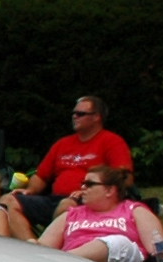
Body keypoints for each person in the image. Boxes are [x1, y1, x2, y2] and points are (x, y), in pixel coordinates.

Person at [37, 164, 163, 262]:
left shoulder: (133, 210)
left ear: (109, 190)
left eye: (89, 184)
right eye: (83, 184)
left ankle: (61, 261)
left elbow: (157, 245)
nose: (83, 188)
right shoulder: (71, 215)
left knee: (118, 243)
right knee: (33, 246)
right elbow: (42, 248)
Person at [21, 94, 133, 225]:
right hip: (54, 199)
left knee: (66, 205)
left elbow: (125, 178)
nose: (74, 116)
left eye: (80, 114)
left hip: (87, 200)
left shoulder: (112, 142)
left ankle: (52, 238)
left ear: (96, 117)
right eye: (73, 113)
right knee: (9, 201)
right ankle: (29, 239)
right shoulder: (63, 143)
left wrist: (90, 191)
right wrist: (30, 191)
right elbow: (41, 176)